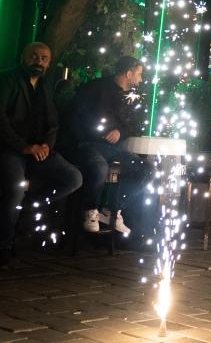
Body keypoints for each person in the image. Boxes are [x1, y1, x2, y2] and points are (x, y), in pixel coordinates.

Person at [0, 43, 82, 267]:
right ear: (23, 57)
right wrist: (23, 147)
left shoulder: (46, 86)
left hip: (40, 149)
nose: (39, 61)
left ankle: (27, 209)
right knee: (14, 189)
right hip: (10, 149)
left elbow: (53, 123)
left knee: (74, 178)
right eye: (34, 56)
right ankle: (4, 245)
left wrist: (47, 145)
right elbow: (1, 120)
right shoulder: (6, 80)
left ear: (49, 62)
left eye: (44, 58)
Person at [62, 56, 152, 238]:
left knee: (146, 169)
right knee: (98, 167)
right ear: (128, 74)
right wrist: (83, 139)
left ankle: (112, 209)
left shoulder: (132, 98)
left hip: (111, 148)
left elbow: (132, 124)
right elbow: (73, 114)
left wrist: (120, 131)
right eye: (139, 74)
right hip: (86, 144)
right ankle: (91, 211)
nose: (141, 79)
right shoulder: (94, 88)